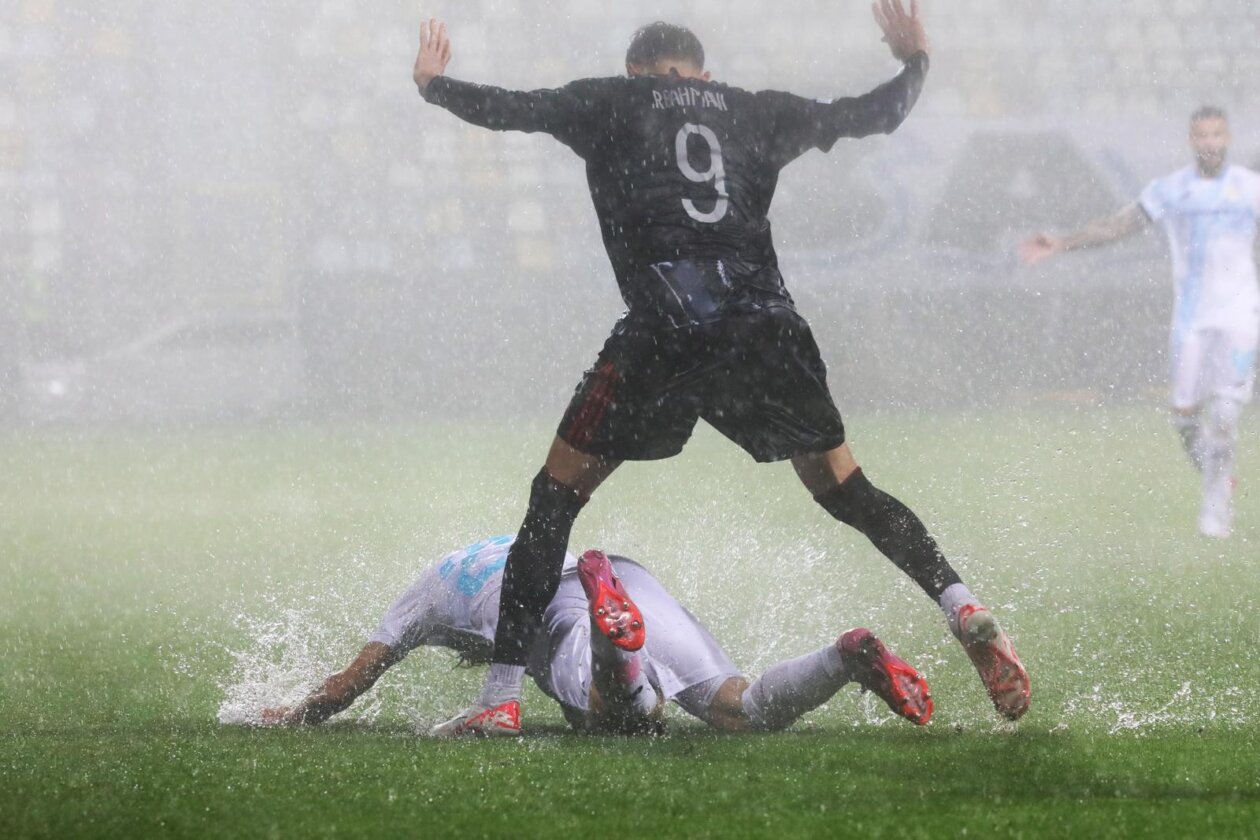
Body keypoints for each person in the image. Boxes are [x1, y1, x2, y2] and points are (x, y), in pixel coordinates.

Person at [411, 0, 1030, 735]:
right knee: (848, 488)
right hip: (765, 330)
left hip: (664, 331)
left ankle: (499, 702)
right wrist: (914, 62)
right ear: (702, 71)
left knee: (555, 499)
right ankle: (962, 606)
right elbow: (871, 115)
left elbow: (508, 109)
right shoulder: (753, 110)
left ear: (636, 70)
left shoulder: (609, 100)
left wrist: (433, 86)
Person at [258, 537, 935, 735]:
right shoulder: (509, 545)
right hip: (626, 574)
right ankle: (843, 655)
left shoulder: (424, 596)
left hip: (573, 605)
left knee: (619, 718)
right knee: (741, 708)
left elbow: (349, 685)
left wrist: (289, 715)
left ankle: (619, 647)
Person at [1020, 106, 1260, 539]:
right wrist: (1063, 241)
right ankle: (1216, 477)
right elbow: (1117, 226)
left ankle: (1217, 499)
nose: (1210, 143)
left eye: (1217, 135)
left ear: (1228, 139)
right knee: (1185, 419)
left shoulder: (1250, 188)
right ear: (1192, 141)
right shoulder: (1171, 189)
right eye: (1202, 135)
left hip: (1241, 317)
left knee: (1225, 411)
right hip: (1191, 320)